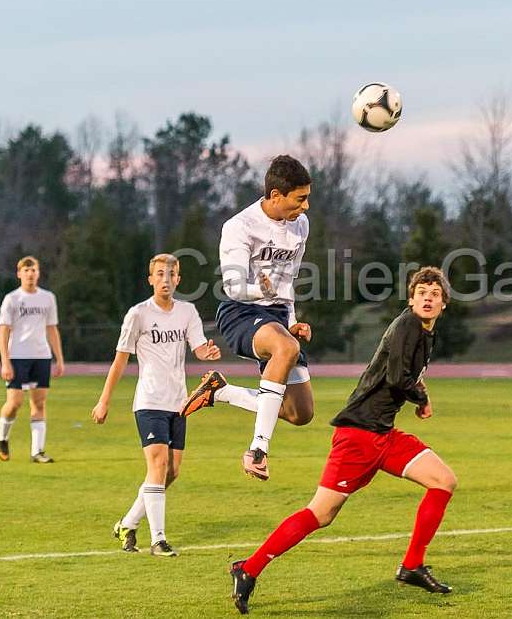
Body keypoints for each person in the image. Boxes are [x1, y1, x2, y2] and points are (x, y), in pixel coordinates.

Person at [227, 267, 457, 614]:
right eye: (421, 292)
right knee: (320, 514)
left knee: (443, 481)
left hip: (383, 433)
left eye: (434, 294)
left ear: (444, 304)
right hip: (359, 436)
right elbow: (397, 378)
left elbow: (405, 376)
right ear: (411, 300)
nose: (427, 298)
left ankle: (411, 566)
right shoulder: (409, 325)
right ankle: (248, 568)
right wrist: (420, 398)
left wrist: (422, 394)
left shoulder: (426, 334)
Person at [189, 155, 314, 482]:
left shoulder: (300, 225)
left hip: (276, 317)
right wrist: (259, 290)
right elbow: (232, 286)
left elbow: (288, 283)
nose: (306, 206)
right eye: (300, 199)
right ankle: (257, 450)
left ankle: (220, 392)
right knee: (285, 349)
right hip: (240, 311)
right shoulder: (239, 227)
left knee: (300, 413)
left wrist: (291, 323)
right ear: (275, 196)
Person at [90, 254, 221, 557]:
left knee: (171, 472)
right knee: (158, 465)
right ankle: (158, 539)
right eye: (159, 274)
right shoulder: (138, 314)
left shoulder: (187, 312)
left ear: (178, 279)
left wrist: (208, 353)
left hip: (180, 403)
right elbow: (120, 360)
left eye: (171, 273)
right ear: (150, 280)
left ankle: (127, 523)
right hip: (149, 401)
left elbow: (198, 347)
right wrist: (104, 400)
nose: (165, 279)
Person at [0, 256, 65, 463]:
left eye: (33, 270)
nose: (30, 274)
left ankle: (37, 452)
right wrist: (5, 361)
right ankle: (3, 437)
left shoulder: (48, 298)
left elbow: (52, 328)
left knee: (39, 403)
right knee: (15, 403)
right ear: (19, 274)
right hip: (17, 356)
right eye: (26, 270)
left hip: (41, 357)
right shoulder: (12, 299)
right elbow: (4, 331)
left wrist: (59, 359)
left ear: (38, 273)